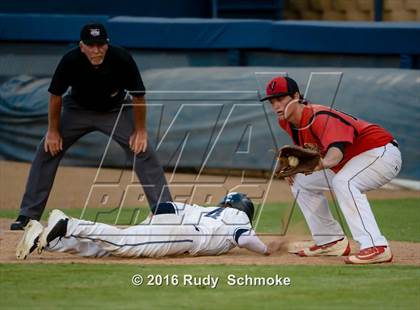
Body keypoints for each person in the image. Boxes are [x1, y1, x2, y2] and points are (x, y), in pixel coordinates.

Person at [10, 23, 172, 230]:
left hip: (115, 111)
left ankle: (165, 212)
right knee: (46, 150)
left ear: (107, 44)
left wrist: (140, 131)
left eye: (100, 44)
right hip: (77, 110)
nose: (96, 50)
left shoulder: (121, 58)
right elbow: (55, 96)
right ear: (82, 46)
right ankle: (28, 216)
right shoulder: (70, 60)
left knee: (143, 149)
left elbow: (138, 96)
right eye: (90, 45)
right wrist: (53, 131)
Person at [260, 76, 402, 264]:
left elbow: (336, 152)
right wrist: (296, 169)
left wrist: (321, 164)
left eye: (281, 99)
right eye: (272, 101)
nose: (276, 106)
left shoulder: (318, 116)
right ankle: (330, 241)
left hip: (380, 153)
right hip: (355, 160)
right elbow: (311, 151)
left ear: (296, 96)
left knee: (344, 182)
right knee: (302, 182)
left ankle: (376, 246)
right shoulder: (287, 122)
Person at [16, 192, 278, 260]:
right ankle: (69, 224)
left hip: (176, 227)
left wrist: (150, 225)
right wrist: (266, 250)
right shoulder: (239, 218)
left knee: (108, 249)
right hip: (186, 237)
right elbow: (245, 239)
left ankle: (50, 240)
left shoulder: (207, 209)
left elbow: (165, 207)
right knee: (124, 244)